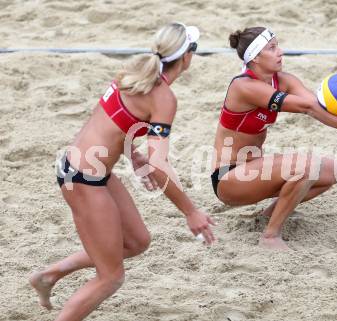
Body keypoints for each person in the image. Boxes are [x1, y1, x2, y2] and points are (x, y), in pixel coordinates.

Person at [30, 22, 215, 321]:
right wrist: (191, 212)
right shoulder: (163, 97)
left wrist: (133, 152)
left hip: (85, 168)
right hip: (82, 178)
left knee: (136, 241)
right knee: (110, 278)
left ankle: (49, 275)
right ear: (186, 57)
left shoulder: (134, 74)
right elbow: (161, 165)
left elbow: (107, 120)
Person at [211, 27, 337, 251]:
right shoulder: (244, 86)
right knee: (307, 165)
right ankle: (270, 237)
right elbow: (307, 108)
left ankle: (267, 216)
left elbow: (318, 105)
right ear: (254, 58)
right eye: (272, 48)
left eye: (277, 45)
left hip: (253, 169)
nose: (280, 52)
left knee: (334, 170)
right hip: (229, 178)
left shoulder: (282, 80)